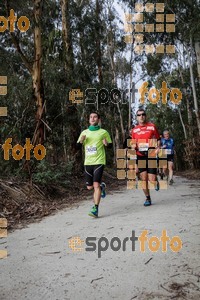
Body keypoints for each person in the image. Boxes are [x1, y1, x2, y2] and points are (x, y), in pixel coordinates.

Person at [77, 112, 112, 217]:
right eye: (91, 117)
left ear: (98, 119)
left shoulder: (103, 132)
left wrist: (106, 144)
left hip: (99, 161)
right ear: (89, 120)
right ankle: (102, 186)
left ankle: (95, 208)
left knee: (95, 185)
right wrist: (80, 142)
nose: (93, 118)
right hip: (88, 162)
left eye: (95, 117)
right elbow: (77, 146)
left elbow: (109, 146)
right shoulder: (84, 132)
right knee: (89, 187)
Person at [132, 108, 161, 206]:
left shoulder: (152, 127)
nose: (141, 116)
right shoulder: (134, 130)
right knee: (143, 178)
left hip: (151, 155)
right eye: (139, 115)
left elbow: (158, 139)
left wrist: (158, 147)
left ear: (145, 116)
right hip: (140, 156)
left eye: (143, 114)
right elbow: (133, 143)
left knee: (151, 180)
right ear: (136, 117)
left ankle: (155, 180)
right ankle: (147, 198)